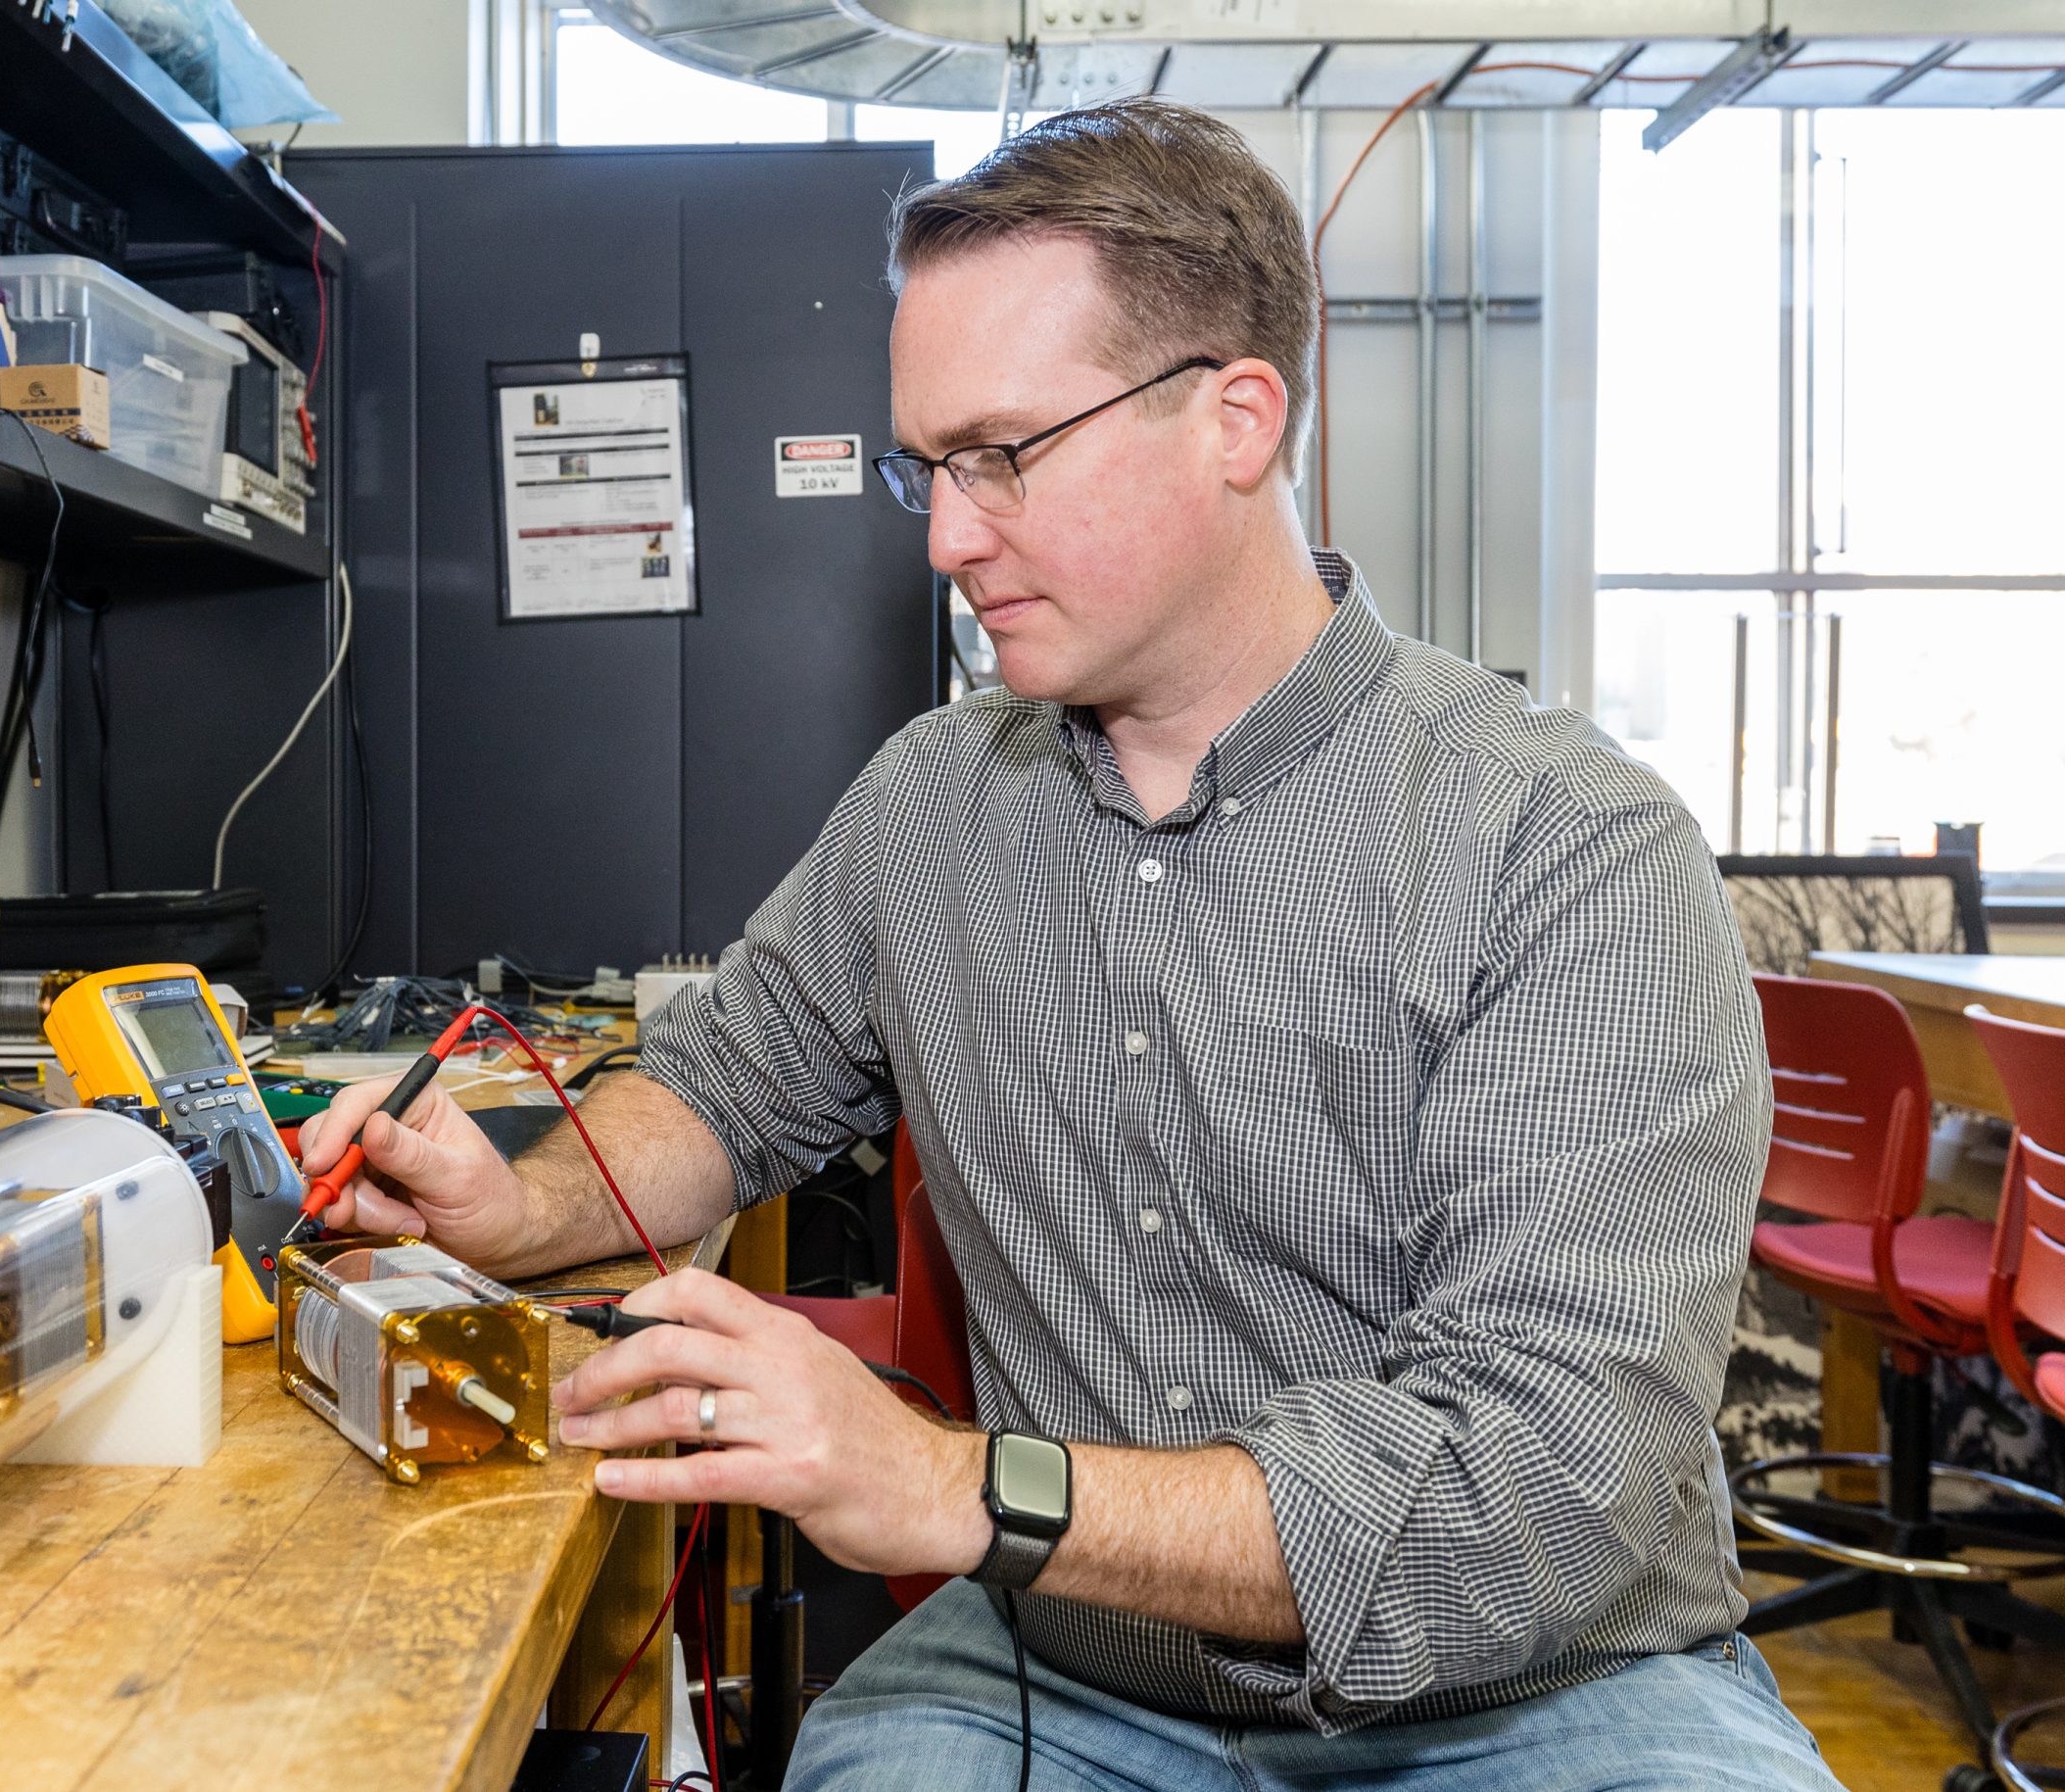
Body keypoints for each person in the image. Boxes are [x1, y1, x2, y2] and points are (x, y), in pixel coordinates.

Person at [299, 100, 1840, 1792]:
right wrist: (528, 1202)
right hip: (1070, 1665)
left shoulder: (1568, 847)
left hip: (1535, 1692)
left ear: (1232, 420)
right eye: (926, 468)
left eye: (1004, 455)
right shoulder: (930, 806)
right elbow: (724, 1092)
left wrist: (952, 1485)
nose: (948, 537)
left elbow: (1536, 1493)